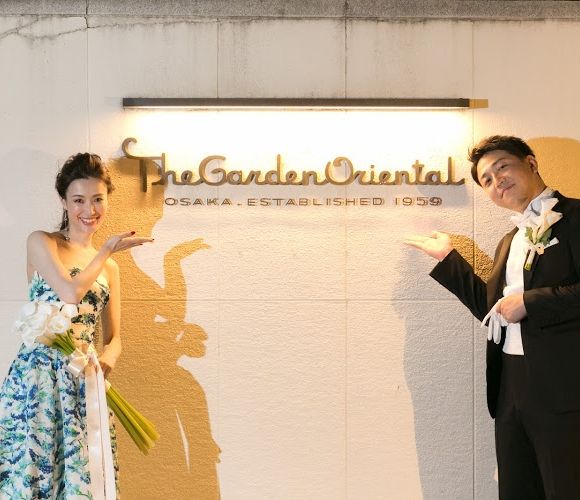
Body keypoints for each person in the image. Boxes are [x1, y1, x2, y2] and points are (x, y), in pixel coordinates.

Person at [406, 135, 580, 499]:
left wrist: (531, 302)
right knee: (518, 490)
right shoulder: (508, 241)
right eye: (486, 179)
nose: (497, 180)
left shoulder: (576, 217)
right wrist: (448, 259)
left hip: (564, 386)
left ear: (531, 163)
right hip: (510, 385)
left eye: (502, 167)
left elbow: (524, 304)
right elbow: (493, 312)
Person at [0, 153, 153, 499]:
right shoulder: (42, 242)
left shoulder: (111, 270)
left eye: (98, 199)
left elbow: (114, 337)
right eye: (79, 200)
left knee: (83, 479)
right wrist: (106, 250)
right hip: (37, 378)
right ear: (64, 202)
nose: (90, 210)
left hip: (82, 379)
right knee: (32, 475)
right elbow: (70, 293)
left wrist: (108, 359)